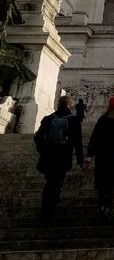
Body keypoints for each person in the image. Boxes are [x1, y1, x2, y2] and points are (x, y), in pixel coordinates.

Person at [34, 95, 87, 224]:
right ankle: (48, 213)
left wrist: (43, 150)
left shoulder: (48, 118)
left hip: (48, 156)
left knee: (49, 183)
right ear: (70, 105)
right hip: (63, 157)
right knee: (56, 185)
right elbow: (78, 142)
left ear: (58, 104)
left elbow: (37, 138)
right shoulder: (74, 120)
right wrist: (81, 160)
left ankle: (45, 212)